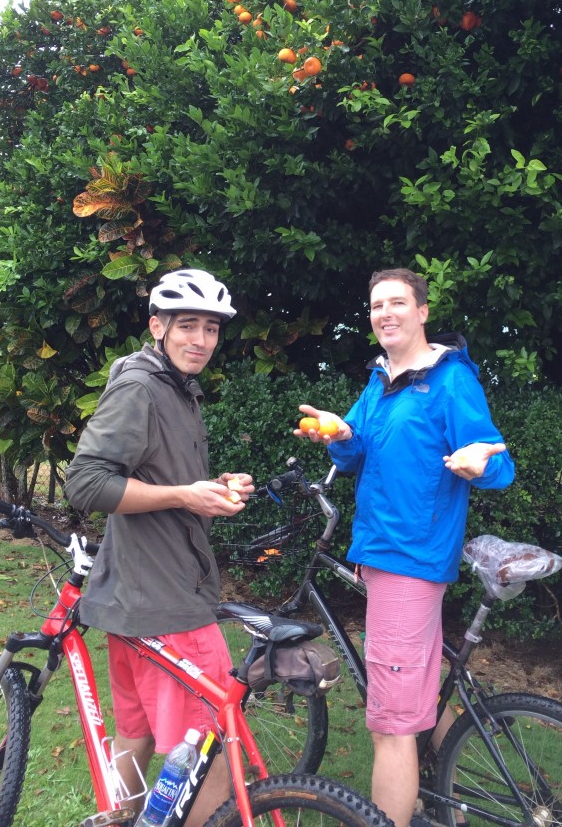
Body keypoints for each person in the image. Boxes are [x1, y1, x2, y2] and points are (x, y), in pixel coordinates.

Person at [295, 267, 514, 827]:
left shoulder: (450, 380)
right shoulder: (382, 378)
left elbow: (498, 460)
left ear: (422, 311)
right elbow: (358, 447)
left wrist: (478, 463)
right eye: (375, 306)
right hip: (382, 554)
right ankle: (451, 799)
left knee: (390, 725)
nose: (385, 313)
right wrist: (340, 434)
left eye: (397, 302)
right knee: (414, 688)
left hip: (410, 560)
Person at [65, 268, 253, 827]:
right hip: (168, 603)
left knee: (136, 732)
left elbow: (158, 479)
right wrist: (184, 495)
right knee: (210, 746)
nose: (200, 339)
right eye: (187, 326)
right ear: (158, 327)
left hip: (136, 600)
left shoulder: (173, 387)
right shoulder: (141, 388)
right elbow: (86, 482)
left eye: (211, 329)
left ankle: (119, 818)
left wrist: (211, 488)